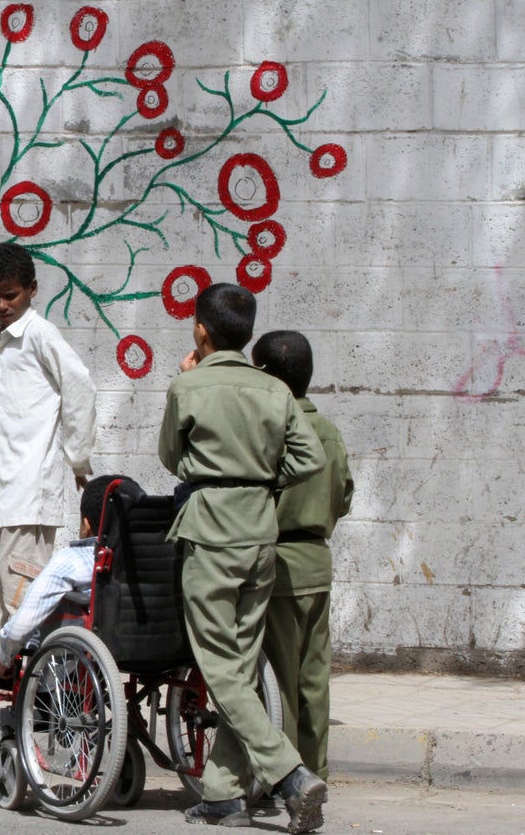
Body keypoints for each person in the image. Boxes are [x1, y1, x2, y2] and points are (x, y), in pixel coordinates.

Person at [157, 283, 328, 832]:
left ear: (200, 330)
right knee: (240, 666)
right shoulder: (274, 390)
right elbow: (310, 456)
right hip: (260, 534)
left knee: (219, 667)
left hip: (211, 532)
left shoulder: (190, 385)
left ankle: (289, 773)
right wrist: (262, 480)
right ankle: (223, 794)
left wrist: (186, 382)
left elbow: (169, 458)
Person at [0, 242, 97, 628]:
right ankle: (13, 675)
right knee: (3, 590)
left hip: (30, 489)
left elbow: (80, 387)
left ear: (32, 289)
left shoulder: (40, 334)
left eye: (10, 295)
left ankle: (43, 682)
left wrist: (77, 459)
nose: (1, 305)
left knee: (25, 596)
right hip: (6, 490)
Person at [253, 331, 354, 781]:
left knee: (279, 680)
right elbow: (344, 495)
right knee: (314, 679)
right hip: (318, 560)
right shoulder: (329, 431)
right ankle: (316, 770)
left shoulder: (272, 430)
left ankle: (288, 778)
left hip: (280, 563)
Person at [0, 476, 109, 678]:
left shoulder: (71, 561)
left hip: (81, 655)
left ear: (86, 524)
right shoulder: (155, 559)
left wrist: (3, 659)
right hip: (151, 648)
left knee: (46, 608)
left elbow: (20, 627)